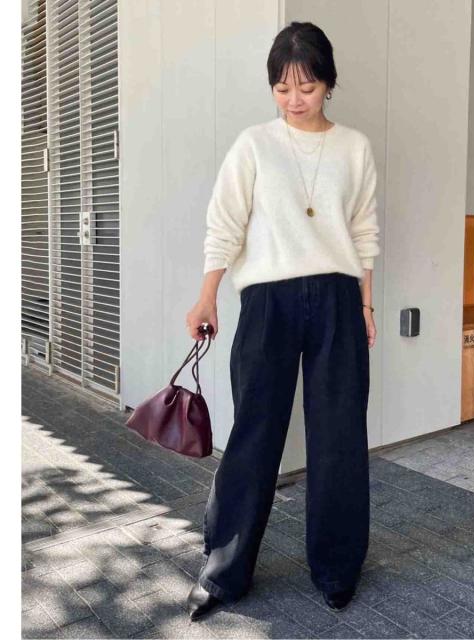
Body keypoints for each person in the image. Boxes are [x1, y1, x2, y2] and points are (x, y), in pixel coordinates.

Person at [184, 21, 380, 621]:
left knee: (339, 436)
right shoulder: (253, 145)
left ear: (329, 84)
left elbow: (364, 231)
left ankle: (337, 568)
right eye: (283, 88)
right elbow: (225, 223)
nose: (295, 99)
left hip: (338, 298)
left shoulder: (354, 148)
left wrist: (366, 304)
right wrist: (207, 295)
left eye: (307, 87)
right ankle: (223, 572)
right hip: (267, 301)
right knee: (254, 433)